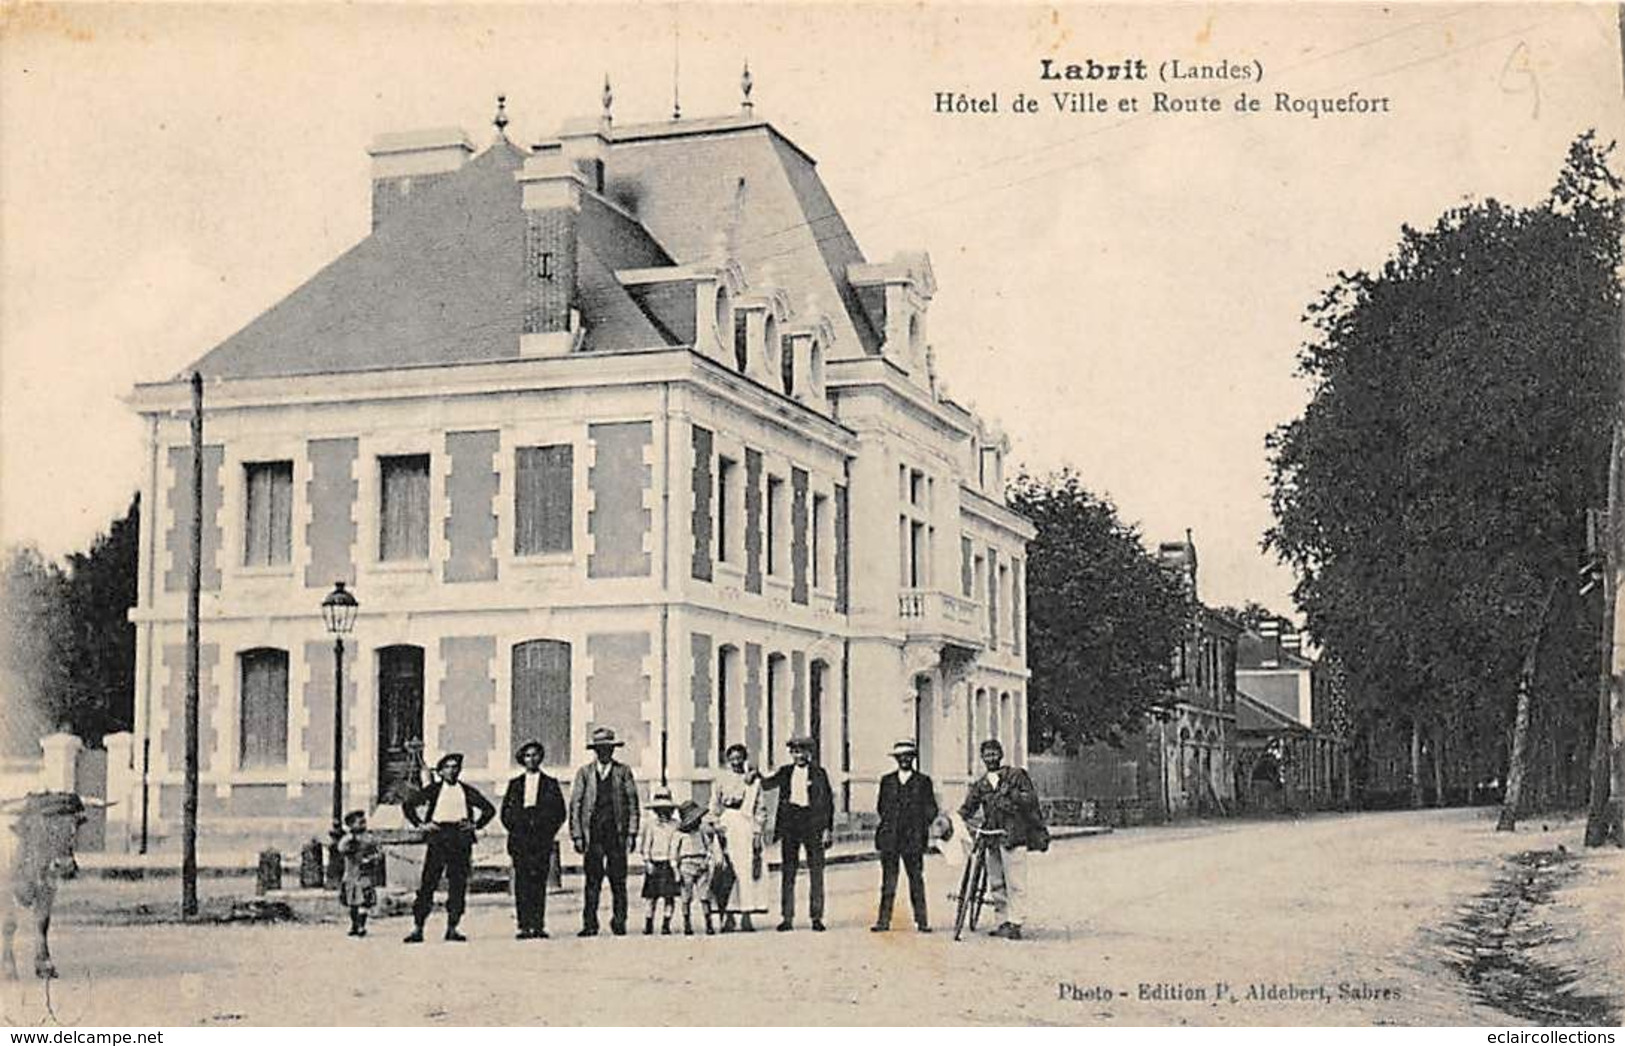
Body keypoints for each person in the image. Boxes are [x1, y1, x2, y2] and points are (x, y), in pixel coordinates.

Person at [401, 752, 496, 943]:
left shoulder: (467, 791)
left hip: (460, 839)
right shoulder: (433, 790)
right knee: (428, 883)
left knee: (458, 884)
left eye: (455, 767)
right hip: (438, 838)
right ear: (441, 771)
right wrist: (421, 824)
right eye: (448, 767)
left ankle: (452, 927)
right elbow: (408, 805)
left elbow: (489, 809)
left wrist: (475, 825)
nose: (452, 771)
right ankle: (418, 928)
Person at [959, 739, 1040, 940]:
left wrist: (1013, 795)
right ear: (982, 758)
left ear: (1001, 755)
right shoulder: (982, 784)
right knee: (996, 882)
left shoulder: (1016, 776)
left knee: (1015, 882)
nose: (991, 758)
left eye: (994, 754)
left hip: (1013, 835)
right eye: (987, 755)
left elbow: (1030, 799)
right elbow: (968, 807)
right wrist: (954, 820)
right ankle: (1001, 921)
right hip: (991, 837)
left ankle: (1016, 922)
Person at [568, 726, 640, 936]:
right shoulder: (585, 773)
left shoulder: (623, 772)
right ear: (595, 751)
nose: (604, 752)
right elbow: (576, 805)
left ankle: (619, 921)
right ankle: (590, 924)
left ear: (613, 749)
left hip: (616, 835)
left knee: (618, 881)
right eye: (600, 749)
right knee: (592, 881)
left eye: (607, 748)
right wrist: (577, 835)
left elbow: (632, 804)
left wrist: (632, 833)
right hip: (593, 836)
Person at [761, 735, 834, 932]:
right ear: (791, 754)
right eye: (795, 751)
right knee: (788, 872)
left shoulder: (819, 773)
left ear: (809, 753)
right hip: (790, 823)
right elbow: (767, 784)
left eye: (803, 751)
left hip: (813, 823)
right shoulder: (785, 772)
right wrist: (753, 774)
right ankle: (787, 917)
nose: (799, 755)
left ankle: (816, 917)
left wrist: (827, 829)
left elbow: (828, 802)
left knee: (816, 871)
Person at [500, 739, 567, 939]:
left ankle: (538, 924)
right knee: (522, 883)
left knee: (538, 882)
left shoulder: (550, 784)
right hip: (521, 839)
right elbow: (506, 813)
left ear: (541, 758)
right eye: (528, 756)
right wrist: (518, 828)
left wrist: (546, 831)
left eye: (535, 755)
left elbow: (559, 813)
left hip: (541, 839)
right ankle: (523, 925)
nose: (532, 759)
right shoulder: (515, 784)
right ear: (523, 759)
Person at [872, 739, 939, 933]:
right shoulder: (887, 781)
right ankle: (883, 921)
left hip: (913, 839)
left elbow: (931, 808)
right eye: (901, 757)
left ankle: (922, 921)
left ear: (913, 758)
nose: (904, 760)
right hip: (890, 838)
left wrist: (920, 825)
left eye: (908, 756)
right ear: (896, 759)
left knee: (916, 879)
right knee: (888, 882)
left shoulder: (923, 781)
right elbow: (881, 807)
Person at [710, 743, 769, 933]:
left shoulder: (753, 782)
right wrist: (715, 826)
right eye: (732, 758)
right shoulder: (720, 780)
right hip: (727, 826)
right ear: (727, 760)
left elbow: (760, 809)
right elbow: (714, 806)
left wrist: (758, 832)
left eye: (739, 758)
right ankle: (728, 916)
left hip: (746, 826)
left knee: (746, 871)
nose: (735, 762)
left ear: (744, 759)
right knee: (728, 870)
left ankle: (746, 915)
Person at [333, 809, 383, 938]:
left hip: (365, 875)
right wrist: (349, 840)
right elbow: (341, 848)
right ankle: (354, 925)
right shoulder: (348, 839)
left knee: (364, 902)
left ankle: (361, 926)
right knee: (352, 903)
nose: (362, 825)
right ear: (350, 825)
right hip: (351, 875)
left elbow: (378, 852)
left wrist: (372, 858)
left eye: (364, 822)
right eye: (358, 822)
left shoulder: (370, 838)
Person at [639, 787, 681, 935]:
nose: (663, 813)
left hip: (670, 863)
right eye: (659, 809)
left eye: (666, 809)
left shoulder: (676, 825)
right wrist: (647, 861)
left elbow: (678, 844)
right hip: (655, 862)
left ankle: (666, 924)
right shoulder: (650, 825)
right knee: (651, 897)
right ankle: (648, 923)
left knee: (669, 897)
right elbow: (645, 845)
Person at [673, 800, 717, 935]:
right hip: (686, 865)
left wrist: (707, 861)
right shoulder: (679, 835)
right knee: (686, 896)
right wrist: (676, 870)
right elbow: (673, 854)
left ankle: (708, 923)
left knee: (704, 896)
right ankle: (687, 923)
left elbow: (710, 849)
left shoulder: (702, 832)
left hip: (701, 863)